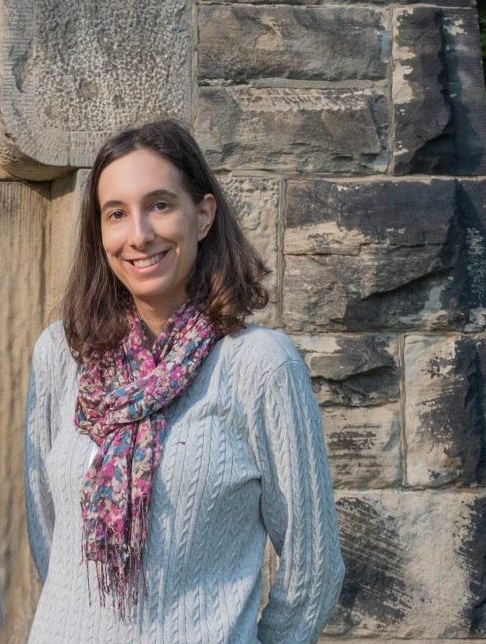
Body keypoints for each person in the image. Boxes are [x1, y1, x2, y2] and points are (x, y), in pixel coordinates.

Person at [24, 119, 344, 642]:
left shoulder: (259, 365)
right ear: (99, 233)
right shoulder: (62, 353)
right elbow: (49, 536)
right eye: (117, 214)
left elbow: (314, 568)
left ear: (203, 215)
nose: (139, 235)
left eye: (160, 205)